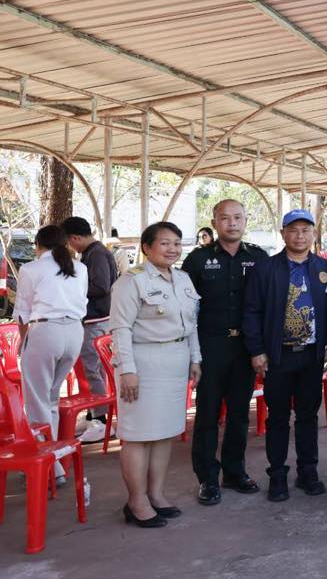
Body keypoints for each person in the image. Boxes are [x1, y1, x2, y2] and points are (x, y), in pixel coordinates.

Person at [109, 222, 201, 527]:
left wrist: (195, 358)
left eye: (176, 243)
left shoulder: (183, 279)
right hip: (143, 364)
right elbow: (120, 328)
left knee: (164, 432)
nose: (172, 249)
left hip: (175, 362)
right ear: (147, 248)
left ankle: (157, 494)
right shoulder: (131, 282)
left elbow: (191, 324)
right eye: (165, 243)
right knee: (138, 435)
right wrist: (127, 371)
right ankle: (136, 501)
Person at [243, 209, 327, 502]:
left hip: (311, 355)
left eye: (305, 230)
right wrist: (257, 350)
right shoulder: (266, 269)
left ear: (313, 234)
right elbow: (251, 311)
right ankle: (278, 475)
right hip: (277, 357)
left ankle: (308, 471)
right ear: (283, 233)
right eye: (293, 230)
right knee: (278, 418)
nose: (299, 236)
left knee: (308, 416)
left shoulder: (325, 268)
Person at [180, 199, 269, 505]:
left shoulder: (258, 257)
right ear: (215, 222)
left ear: (245, 220)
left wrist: (262, 348)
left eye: (238, 217)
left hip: (245, 347)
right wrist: (192, 354)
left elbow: (267, 304)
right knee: (207, 414)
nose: (232, 223)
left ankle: (234, 472)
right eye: (225, 218)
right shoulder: (198, 259)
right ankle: (207, 478)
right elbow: (186, 308)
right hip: (210, 346)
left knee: (239, 414)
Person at [13, 225, 87, 485]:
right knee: (51, 399)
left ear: (38, 245)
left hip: (45, 331)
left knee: (36, 402)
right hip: (74, 332)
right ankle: (53, 462)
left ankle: (47, 466)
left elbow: (22, 311)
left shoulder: (31, 269)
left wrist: (25, 342)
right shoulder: (80, 268)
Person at [62, 216, 120, 444]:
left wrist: (73, 288)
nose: (69, 246)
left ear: (75, 237)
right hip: (96, 319)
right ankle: (94, 414)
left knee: (91, 370)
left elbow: (101, 286)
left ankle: (100, 420)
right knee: (95, 369)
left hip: (96, 320)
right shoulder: (93, 253)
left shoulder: (96, 254)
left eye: (69, 241)